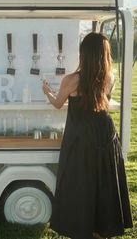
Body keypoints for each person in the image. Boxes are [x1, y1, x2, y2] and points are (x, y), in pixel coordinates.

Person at [42, 32, 133, 239]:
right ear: (105, 54)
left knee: (80, 185)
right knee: (105, 184)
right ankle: (102, 229)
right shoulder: (110, 77)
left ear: (84, 53)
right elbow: (100, 101)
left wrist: (47, 92)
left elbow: (58, 104)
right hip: (105, 135)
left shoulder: (72, 80)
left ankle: (81, 229)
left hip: (81, 138)